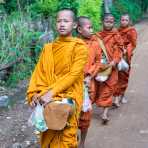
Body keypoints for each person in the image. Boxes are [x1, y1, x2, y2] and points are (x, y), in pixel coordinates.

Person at [26, 9, 88, 148]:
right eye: (59, 21)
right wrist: (35, 93)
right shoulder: (48, 48)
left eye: (66, 21)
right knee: (48, 133)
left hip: (69, 96)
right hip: (46, 99)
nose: (62, 24)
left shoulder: (80, 47)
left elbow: (73, 75)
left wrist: (51, 93)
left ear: (74, 25)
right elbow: (39, 73)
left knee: (66, 138)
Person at [77, 16, 102, 148]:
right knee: (71, 114)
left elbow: (98, 62)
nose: (92, 30)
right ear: (80, 29)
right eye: (89, 27)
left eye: (92, 27)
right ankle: (72, 138)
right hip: (73, 84)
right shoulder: (73, 44)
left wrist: (89, 75)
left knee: (85, 116)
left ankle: (82, 143)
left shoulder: (95, 44)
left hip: (88, 83)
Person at [95, 13, 123, 123]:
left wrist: (115, 61)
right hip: (101, 67)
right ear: (102, 22)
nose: (109, 23)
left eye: (111, 21)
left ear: (114, 23)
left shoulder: (116, 35)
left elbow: (120, 49)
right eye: (107, 21)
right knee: (98, 88)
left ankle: (105, 114)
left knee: (110, 88)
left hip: (112, 67)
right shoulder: (97, 36)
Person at [114, 14, 137, 104]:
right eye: (122, 20)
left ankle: (122, 96)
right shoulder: (116, 30)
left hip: (125, 57)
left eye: (126, 20)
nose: (124, 22)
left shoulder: (132, 31)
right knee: (115, 77)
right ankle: (116, 98)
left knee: (124, 77)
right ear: (120, 21)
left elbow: (133, 44)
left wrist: (126, 50)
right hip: (116, 56)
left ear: (129, 21)